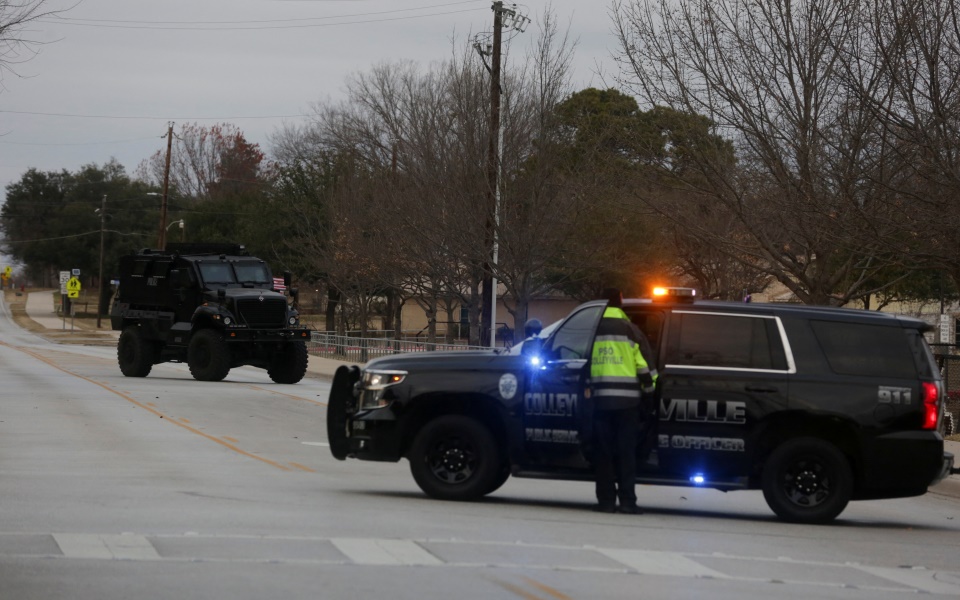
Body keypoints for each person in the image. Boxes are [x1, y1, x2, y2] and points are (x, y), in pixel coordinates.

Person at [589, 288, 657, 514]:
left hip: (599, 403)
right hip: (628, 404)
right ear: (620, 301)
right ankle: (628, 502)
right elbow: (644, 367)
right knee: (626, 454)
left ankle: (606, 502)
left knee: (603, 453)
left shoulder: (592, 329)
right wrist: (649, 393)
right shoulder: (631, 330)